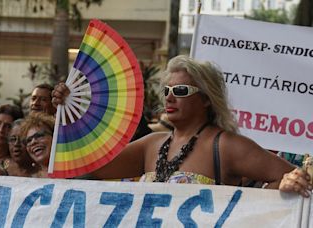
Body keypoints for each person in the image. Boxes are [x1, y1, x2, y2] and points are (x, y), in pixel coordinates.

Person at [52, 55, 312, 197]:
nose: (169, 96)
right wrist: (72, 111)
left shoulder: (226, 146)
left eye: (181, 89)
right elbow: (89, 166)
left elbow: (298, 177)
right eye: (167, 90)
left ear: (207, 99)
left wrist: (279, 188)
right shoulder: (151, 144)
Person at [20, 112, 55, 178]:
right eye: (28, 140)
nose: (33, 142)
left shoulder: (75, 174)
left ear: (54, 137)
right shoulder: (27, 182)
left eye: (39, 136)